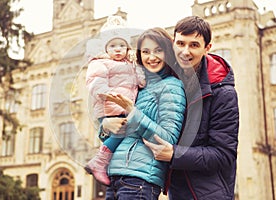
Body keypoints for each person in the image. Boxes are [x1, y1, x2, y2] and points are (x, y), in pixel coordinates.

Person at [143, 16, 240, 200]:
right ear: (173, 43)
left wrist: (174, 154)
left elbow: (223, 154)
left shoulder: (223, 92)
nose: (185, 51)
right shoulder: (167, 78)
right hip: (176, 191)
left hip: (209, 194)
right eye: (180, 43)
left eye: (194, 45)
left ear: (207, 48)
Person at [100, 27, 186, 199]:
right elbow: (119, 134)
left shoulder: (172, 86)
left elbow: (167, 139)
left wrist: (133, 112)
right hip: (115, 176)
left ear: (168, 52)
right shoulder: (138, 86)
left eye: (157, 51)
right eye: (145, 51)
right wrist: (105, 126)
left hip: (140, 180)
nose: (151, 57)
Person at [84, 16, 146, 186]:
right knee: (124, 129)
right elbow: (95, 82)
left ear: (128, 48)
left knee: (126, 130)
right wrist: (107, 94)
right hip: (109, 109)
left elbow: (139, 81)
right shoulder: (101, 62)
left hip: (121, 108)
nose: (117, 50)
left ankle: (103, 163)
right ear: (106, 48)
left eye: (122, 46)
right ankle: (99, 161)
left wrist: (139, 71)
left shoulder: (129, 64)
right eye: (112, 46)